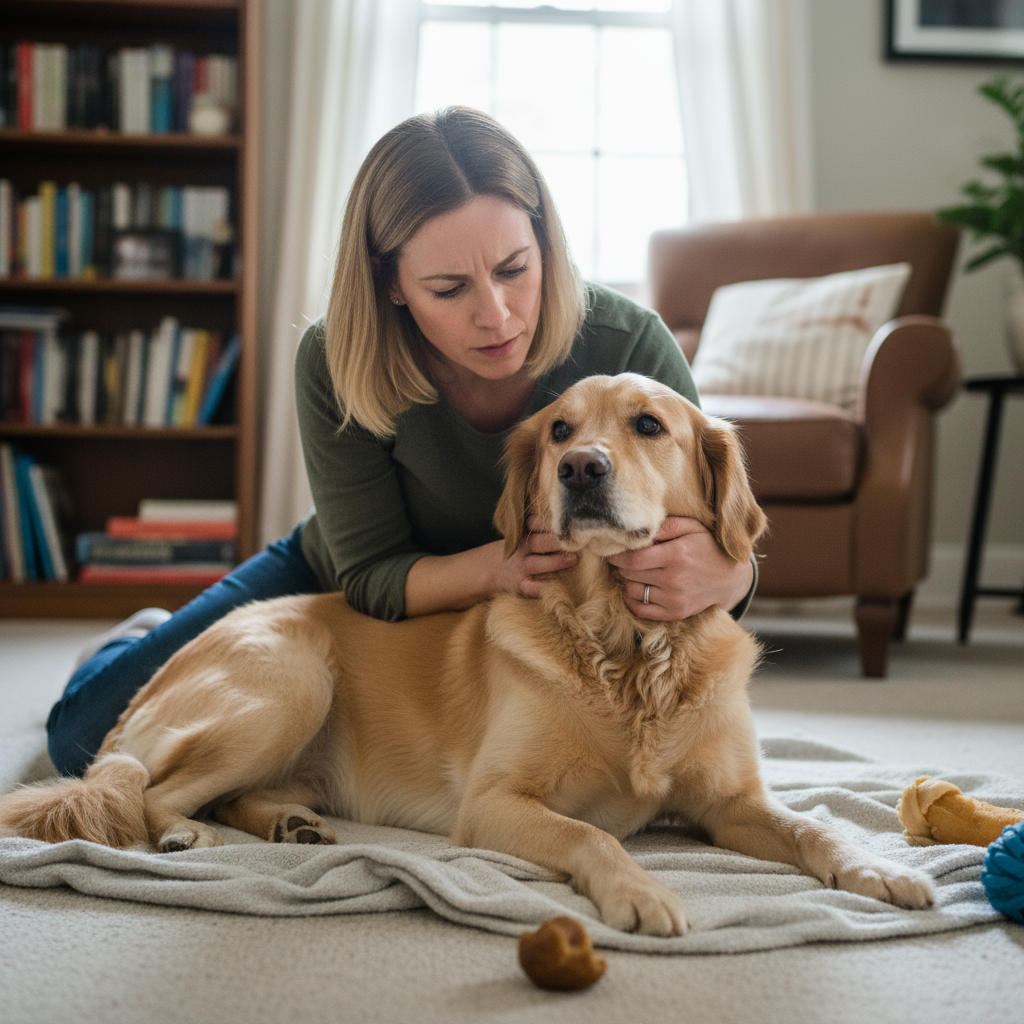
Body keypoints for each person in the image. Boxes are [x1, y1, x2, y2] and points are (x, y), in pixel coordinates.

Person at [47, 106, 755, 779]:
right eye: (449, 288)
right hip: (364, 571)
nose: (496, 314)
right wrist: (498, 569)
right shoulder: (335, 358)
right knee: (82, 740)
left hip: (544, 601)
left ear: (544, 240)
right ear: (390, 284)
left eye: (514, 268)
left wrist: (735, 577)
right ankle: (131, 639)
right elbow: (368, 572)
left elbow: (711, 523)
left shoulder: (628, 341)